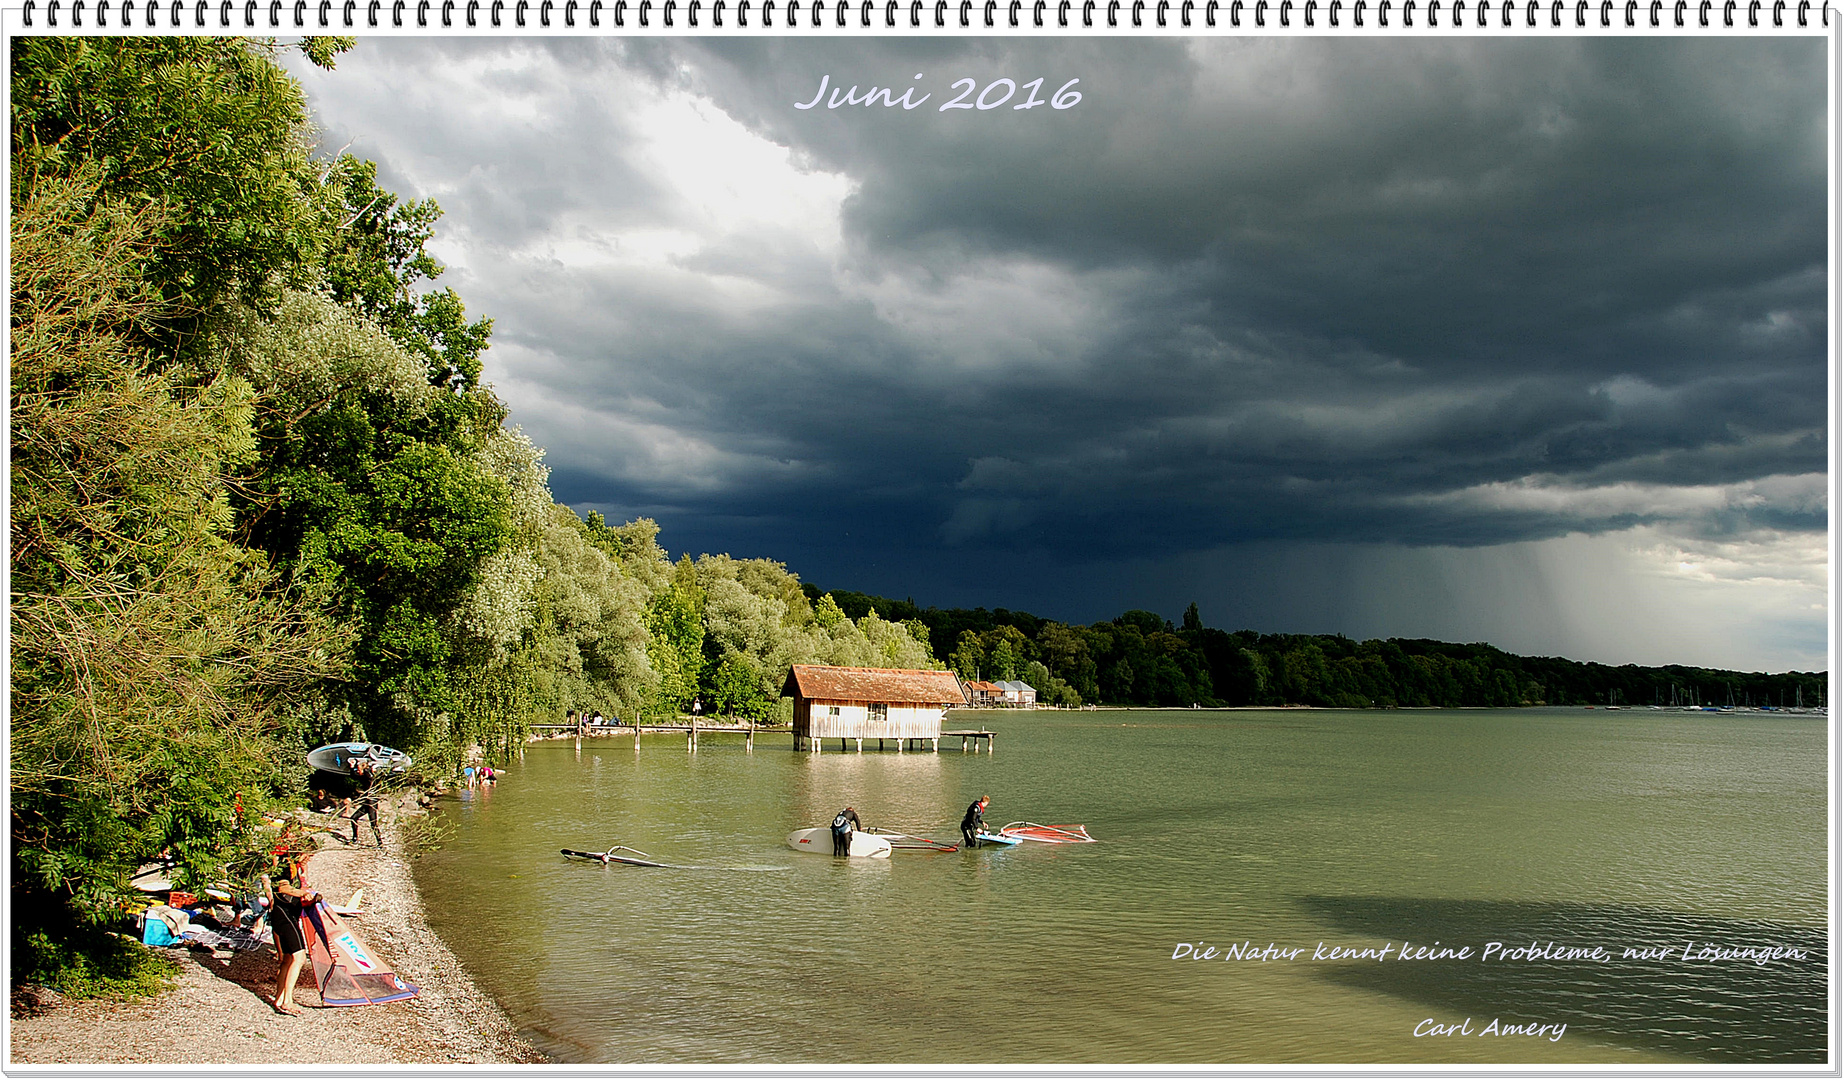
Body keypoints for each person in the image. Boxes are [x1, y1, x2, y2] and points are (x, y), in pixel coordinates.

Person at [265, 858, 321, 1015]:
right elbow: (283, 888)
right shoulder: (285, 867)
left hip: (288, 915)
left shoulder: (295, 869)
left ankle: (280, 998)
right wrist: (303, 893)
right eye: (307, 854)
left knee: (288, 958)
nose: (309, 858)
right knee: (299, 957)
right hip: (283, 916)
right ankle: (287, 1001)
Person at [346, 759, 382, 848]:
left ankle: (380, 843)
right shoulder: (363, 776)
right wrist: (352, 766)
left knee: (373, 823)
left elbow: (369, 776)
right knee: (353, 818)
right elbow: (354, 776)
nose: (358, 771)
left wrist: (369, 768)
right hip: (367, 802)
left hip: (372, 802)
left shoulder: (368, 775)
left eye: (359, 769)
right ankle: (355, 838)